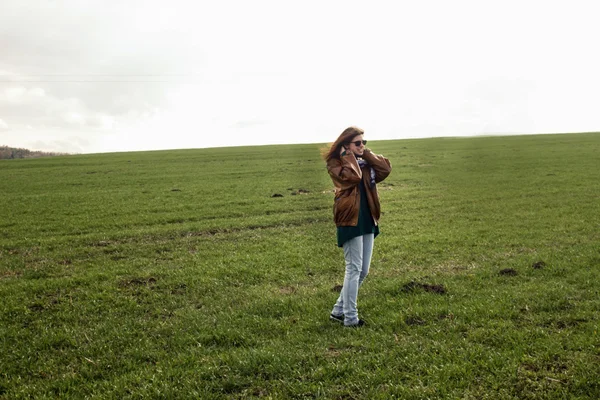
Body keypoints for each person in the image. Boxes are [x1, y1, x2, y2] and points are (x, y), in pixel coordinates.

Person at [324, 126, 392, 327]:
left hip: (368, 217)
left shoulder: (366, 162)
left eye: (364, 142)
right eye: (358, 143)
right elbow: (352, 177)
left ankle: (338, 312)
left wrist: (366, 153)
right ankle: (350, 318)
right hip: (350, 218)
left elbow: (385, 169)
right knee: (353, 269)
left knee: (363, 271)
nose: (362, 145)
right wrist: (348, 156)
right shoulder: (336, 163)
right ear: (346, 145)